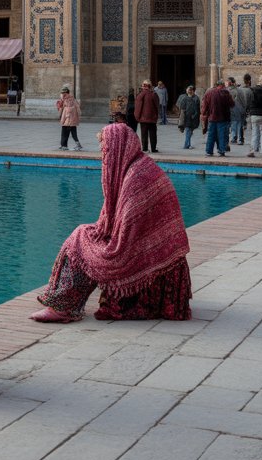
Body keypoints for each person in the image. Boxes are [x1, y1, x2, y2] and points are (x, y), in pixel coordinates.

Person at [30, 123, 192, 324]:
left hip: (136, 254)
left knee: (79, 242)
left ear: (119, 148)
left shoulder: (137, 179)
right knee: (83, 234)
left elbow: (124, 239)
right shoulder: (139, 166)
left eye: (105, 150)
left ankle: (63, 307)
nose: (103, 156)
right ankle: (61, 302)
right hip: (152, 253)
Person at [201, 79, 234, 157]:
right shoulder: (226, 93)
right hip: (223, 118)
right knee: (222, 135)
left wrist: (203, 114)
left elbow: (204, 106)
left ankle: (209, 151)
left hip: (212, 118)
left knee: (211, 135)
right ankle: (221, 151)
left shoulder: (209, 93)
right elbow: (232, 104)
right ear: (222, 85)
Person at [134, 80, 160, 153]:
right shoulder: (153, 94)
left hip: (143, 119)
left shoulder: (140, 95)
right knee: (153, 134)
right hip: (152, 118)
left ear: (144, 86)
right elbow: (157, 106)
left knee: (144, 134)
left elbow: (138, 107)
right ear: (150, 86)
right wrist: (156, 115)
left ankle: (145, 148)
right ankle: (153, 148)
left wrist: (137, 117)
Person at [56, 85, 83, 150]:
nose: (62, 94)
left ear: (66, 93)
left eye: (63, 93)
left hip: (68, 119)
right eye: (62, 93)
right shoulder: (71, 99)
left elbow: (66, 110)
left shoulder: (67, 100)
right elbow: (78, 109)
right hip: (70, 119)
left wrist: (62, 117)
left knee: (68, 133)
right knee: (67, 132)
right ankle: (64, 145)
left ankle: (67, 145)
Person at [176, 85, 200, 150]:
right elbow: (182, 109)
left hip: (191, 118)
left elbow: (197, 109)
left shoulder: (195, 98)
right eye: (188, 90)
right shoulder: (185, 98)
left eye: (190, 90)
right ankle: (186, 145)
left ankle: (188, 144)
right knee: (188, 131)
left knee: (189, 131)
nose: (189, 91)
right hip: (188, 118)